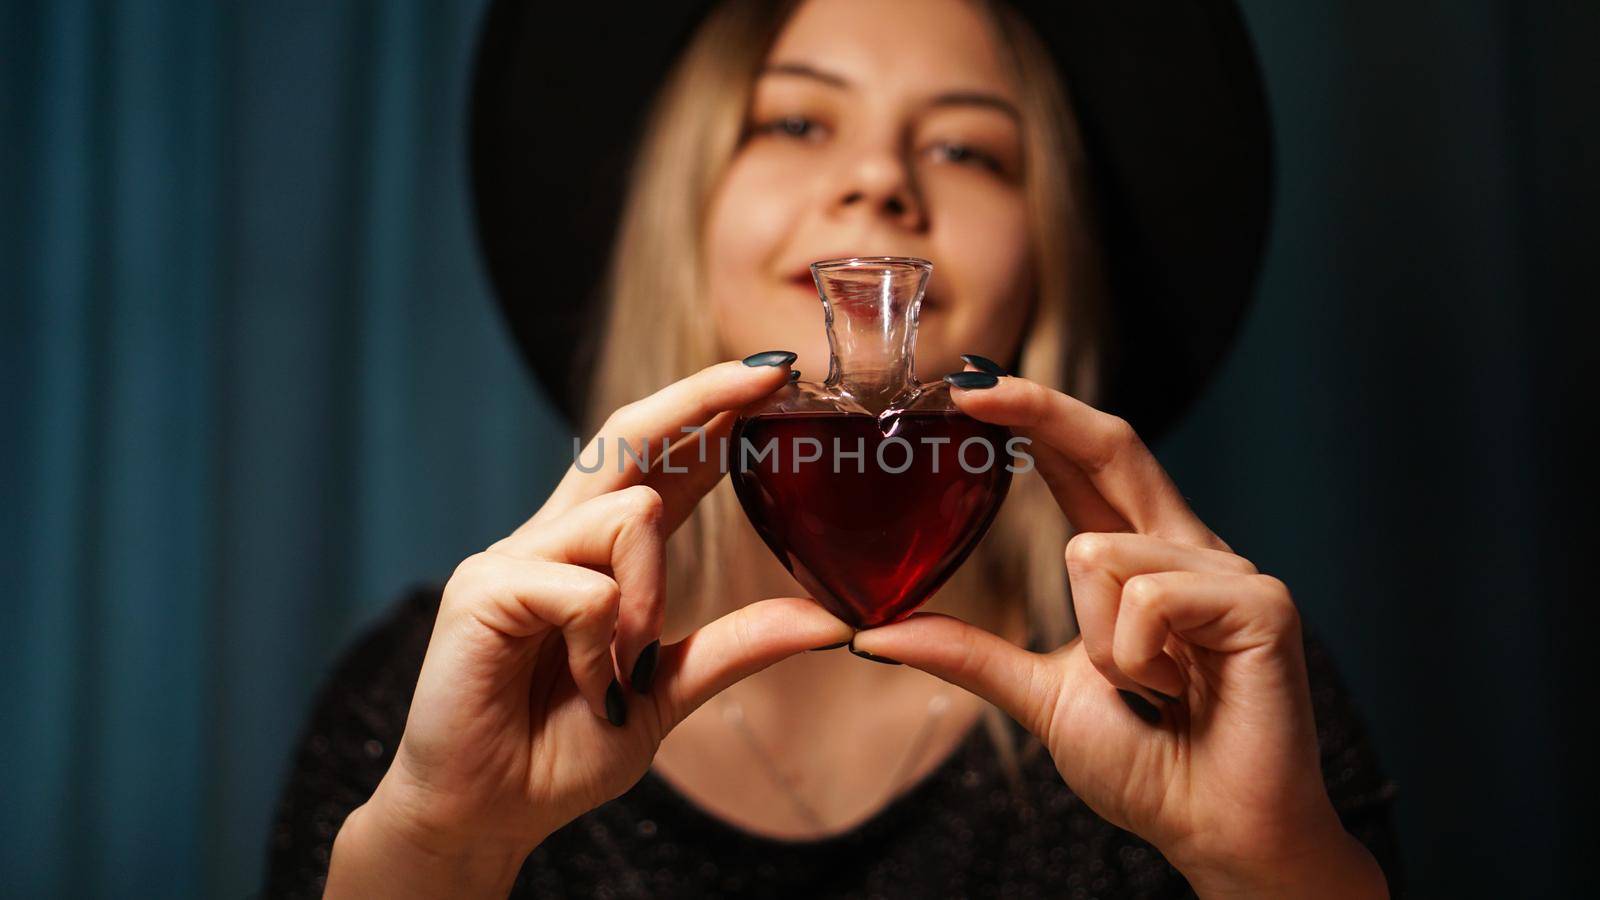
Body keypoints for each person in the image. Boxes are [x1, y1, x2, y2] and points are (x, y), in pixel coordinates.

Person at [267, 0, 1400, 896]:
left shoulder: (1227, 697)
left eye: (968, 148)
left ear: (1046, 267)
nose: (880, 183)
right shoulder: (426, 702)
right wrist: (441, 854)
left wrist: (1269, 872)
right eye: (797, 121)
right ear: (684, 213)